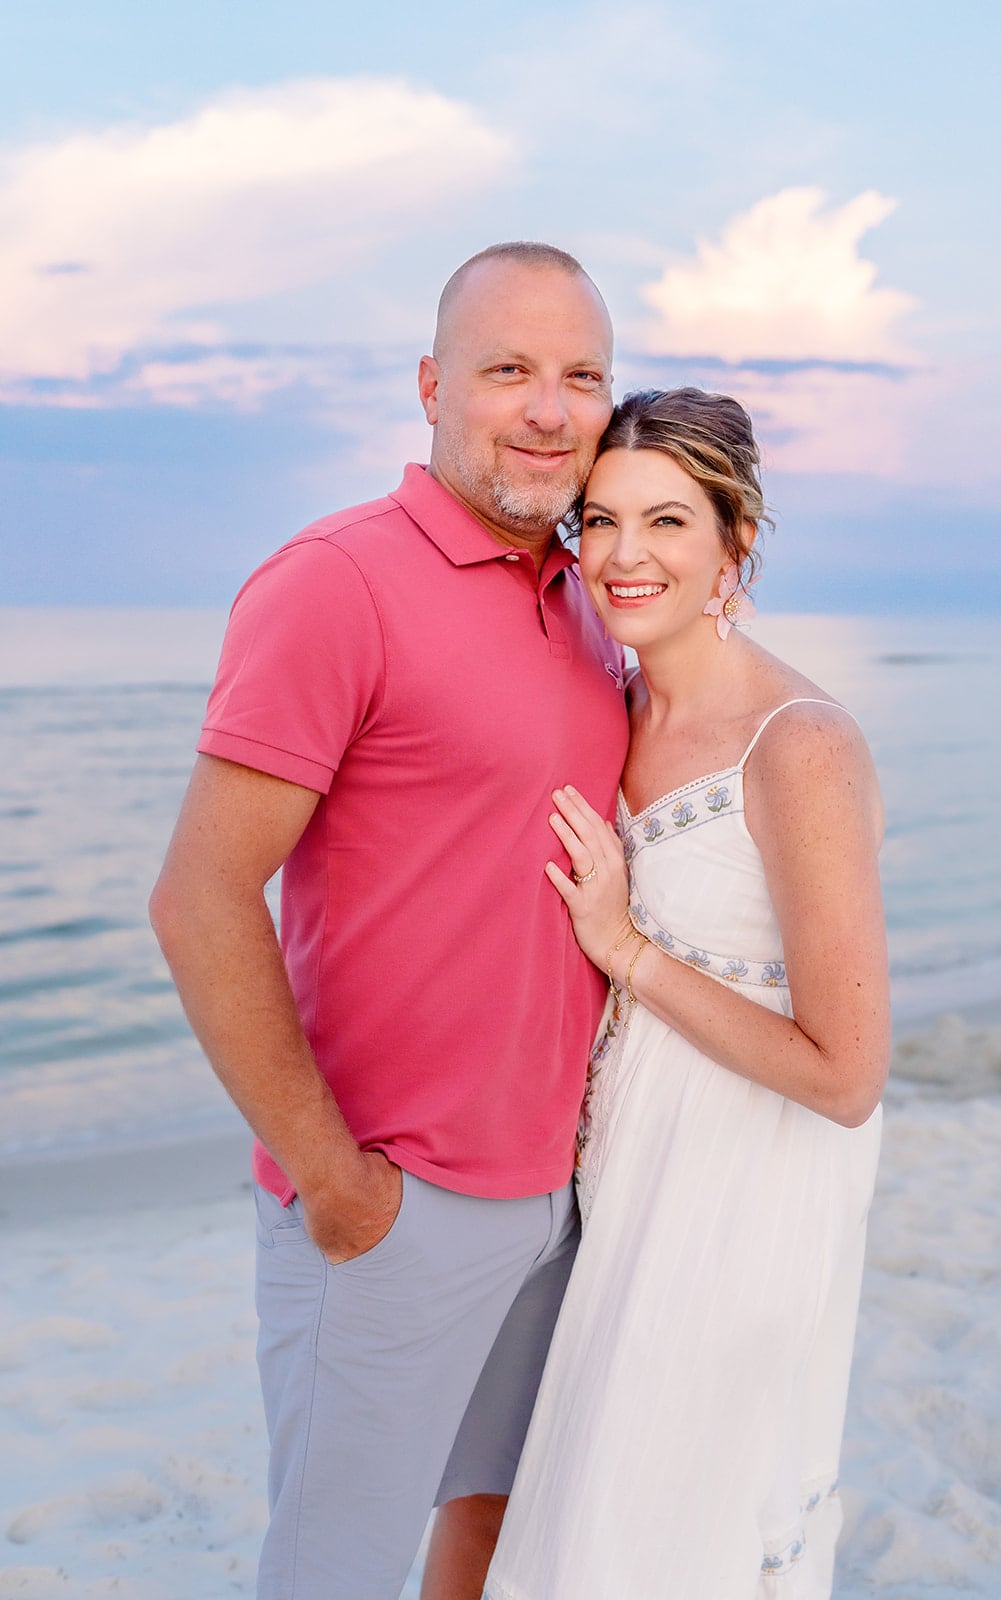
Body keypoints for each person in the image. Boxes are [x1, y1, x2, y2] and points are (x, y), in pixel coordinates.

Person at [149, 241, 630, 1600]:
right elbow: (198, 897)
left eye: (581, 375)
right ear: (430, 386)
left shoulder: (591, 603)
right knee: (335, 1573)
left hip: (558, 1201)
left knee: (491, 1540)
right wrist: (335, 1180)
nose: (548, 409)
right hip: (389, 1208)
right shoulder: (334, 582)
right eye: (507, 369)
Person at [484, 387, 889, 1600]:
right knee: (590, 1509)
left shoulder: (798, 745)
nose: (624, 554)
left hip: (741, 1185)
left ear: (733, 546)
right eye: (600, 520)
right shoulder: (607, 710)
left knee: (659, 1529)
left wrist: (628, 950)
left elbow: (846, 1075)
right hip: (622, 1165)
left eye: (666, 521)